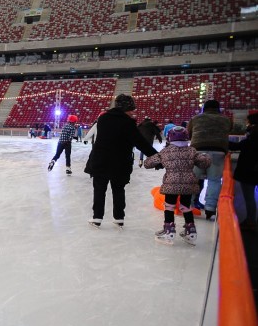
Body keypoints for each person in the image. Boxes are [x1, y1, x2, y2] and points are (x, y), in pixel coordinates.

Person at [84, 94, 157, 228]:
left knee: (99, 190)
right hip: (120, 163)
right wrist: (157, 157)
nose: (132, 112)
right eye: (131, 109)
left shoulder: (103, 119)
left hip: (100, 161)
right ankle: (119, 218)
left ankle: (97, 217)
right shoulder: (128, 122)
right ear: (125, 108)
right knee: (118, 190)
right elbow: (141, 143)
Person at [142, 126, 211, 245]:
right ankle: (191, 231)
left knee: (169, 206)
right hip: (188, 184)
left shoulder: (166, 152)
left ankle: (169, 230)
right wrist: (206, 156)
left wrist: (158, 162)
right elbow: (205, 163)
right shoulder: (192, 151)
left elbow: (148, 163)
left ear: (169, 138)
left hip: (171, 184)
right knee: (185, 206)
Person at [188, 99, 232, 220]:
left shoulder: (195, 118)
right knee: (214, 180)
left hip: (198, 151)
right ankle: (210, 208)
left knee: (193, 179)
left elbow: (189, 133)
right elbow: (228, 130)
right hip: (218, 152)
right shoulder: (226, 119)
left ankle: (188, 205)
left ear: (204, 108)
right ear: (218, 109)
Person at [229, 111, 258, 231]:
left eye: (248, 122)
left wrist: (221, 141)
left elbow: (240, 146)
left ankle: (251, 221)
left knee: (249, 197)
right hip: (252, 170)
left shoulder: (254, 136)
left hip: (249, 171)